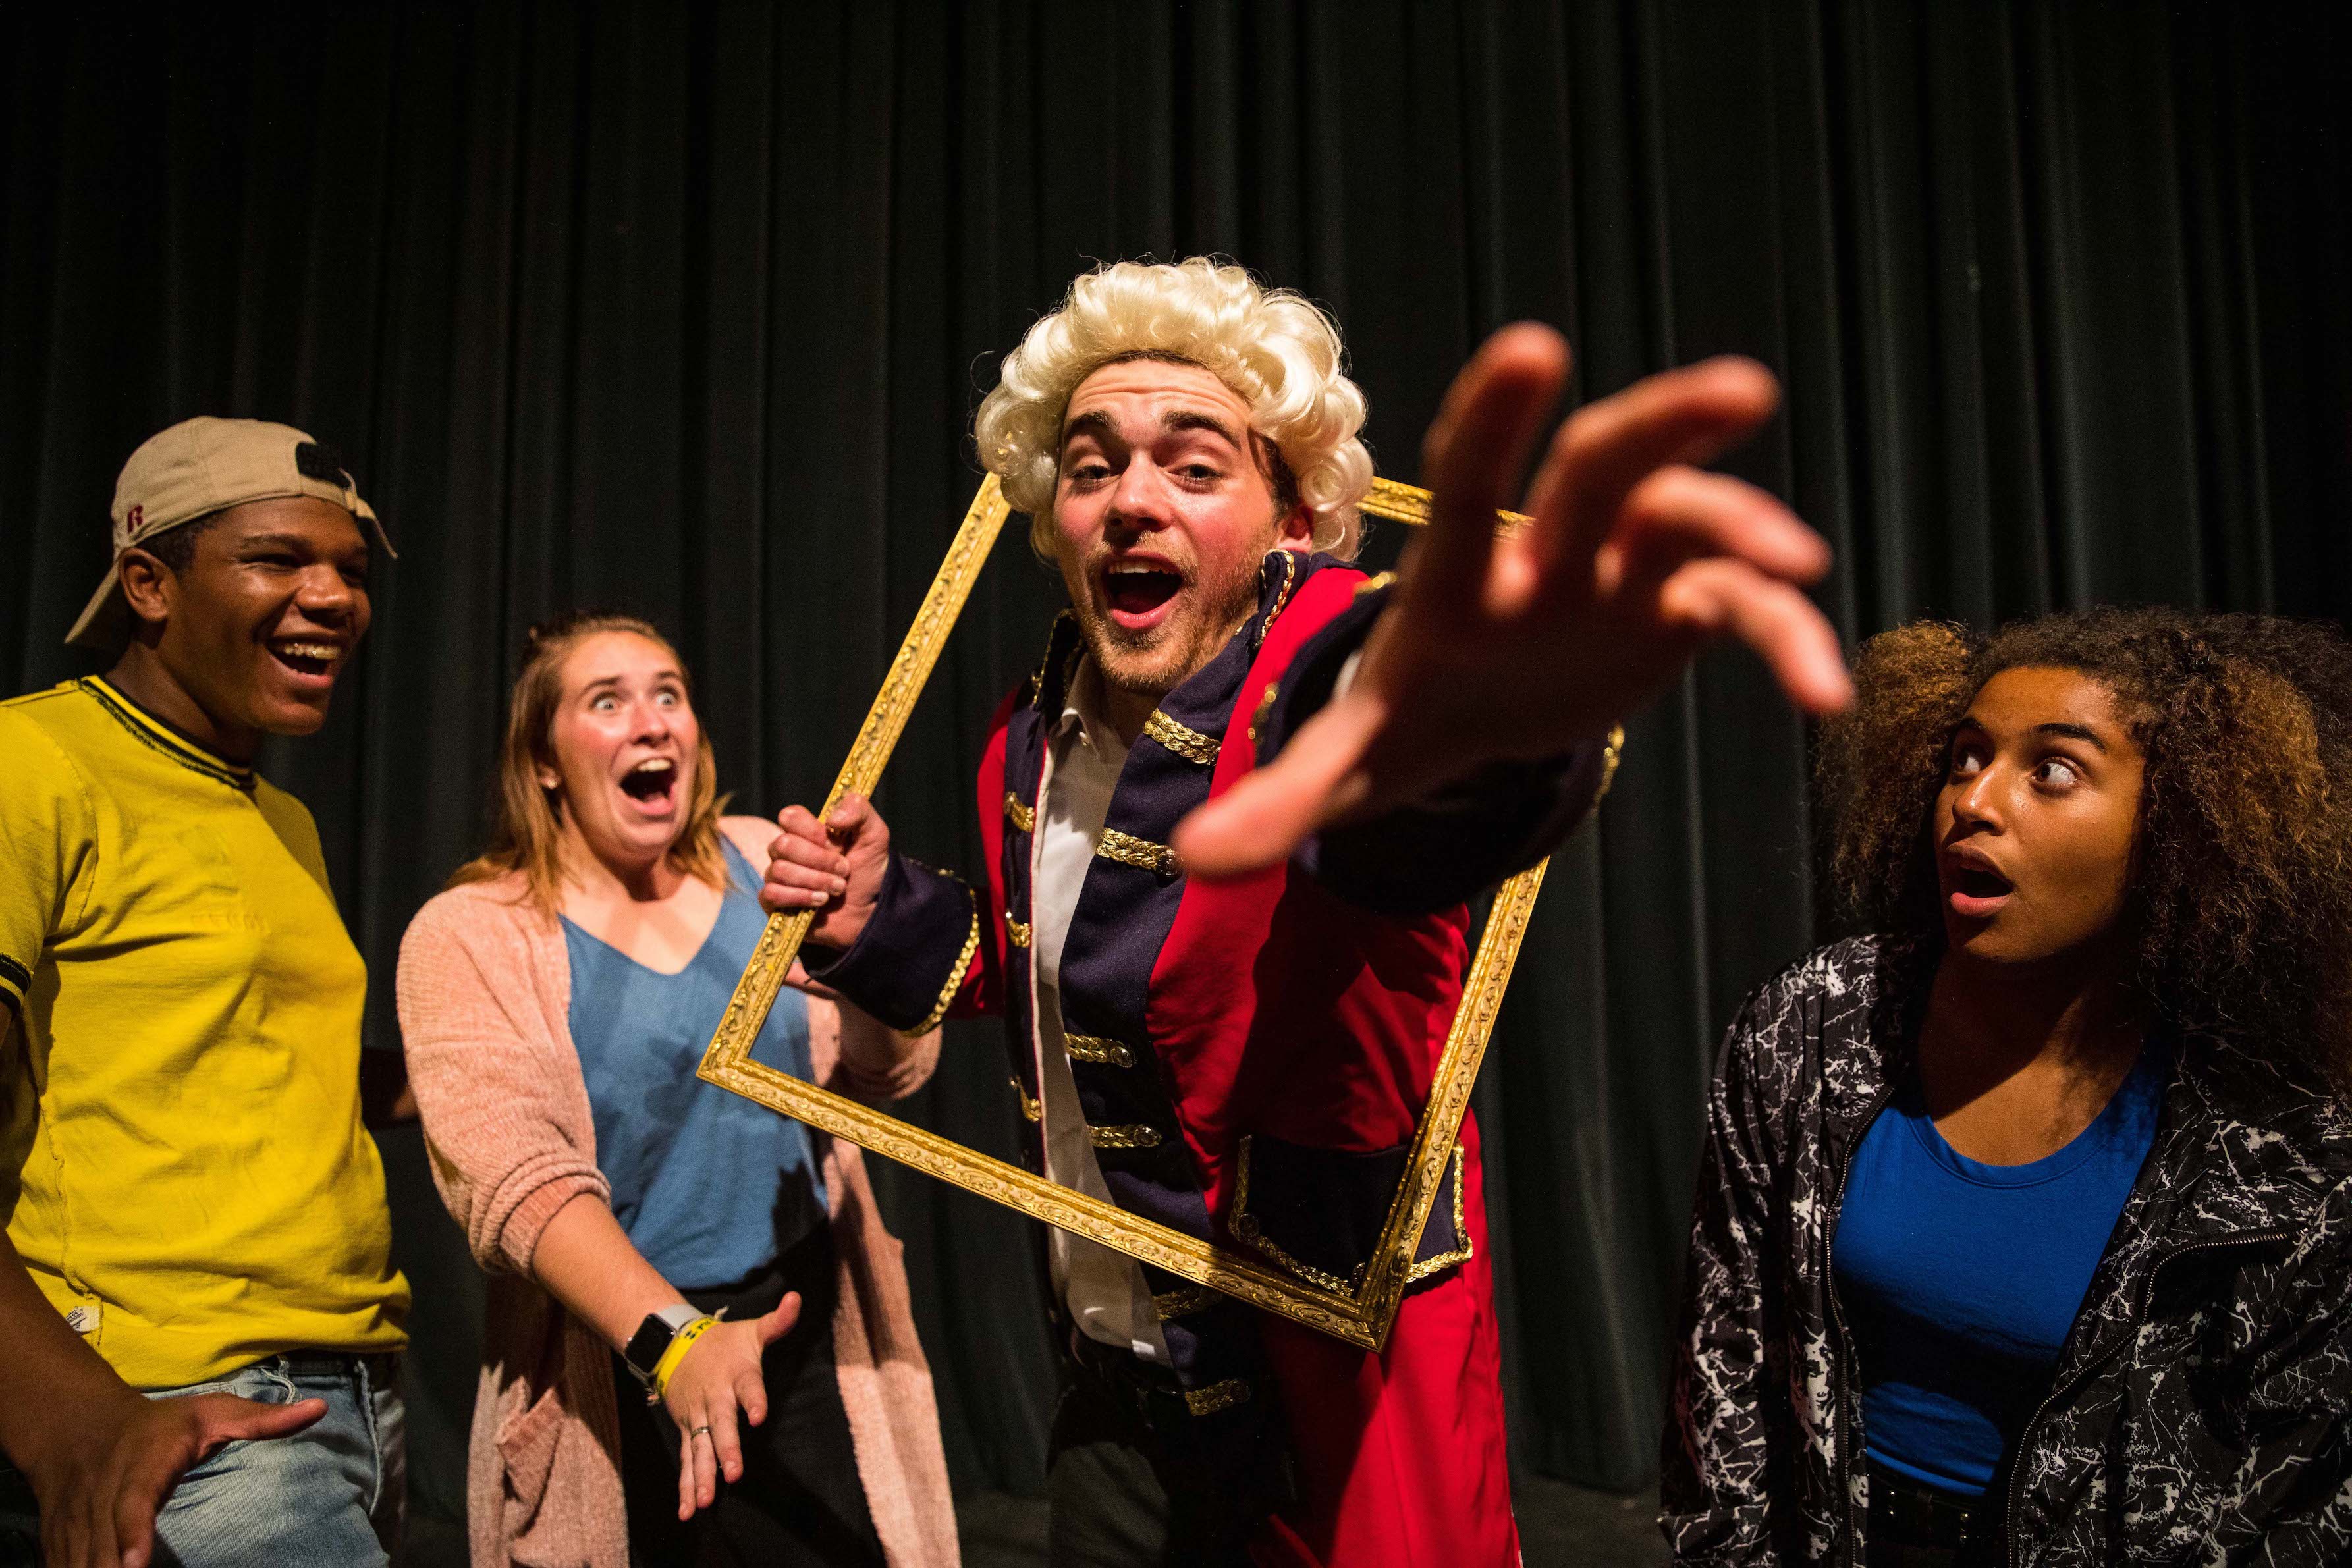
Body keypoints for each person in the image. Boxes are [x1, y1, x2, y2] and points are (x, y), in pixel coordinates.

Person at [760, 257, 1851, 1566]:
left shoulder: (1323, 675)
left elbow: (1386, 775)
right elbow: (1057, 961)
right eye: (1093, 465)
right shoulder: (1033, 727)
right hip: (1116, 1382)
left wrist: (1467, 729)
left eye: (1194, 466)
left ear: (1289, 519)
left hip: (1329, 1391)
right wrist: (887, 911)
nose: (1129, 502)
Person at [1660, 609, 2352, 1566]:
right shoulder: (1814, 1026)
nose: (1974, 802)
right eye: (1964, 758)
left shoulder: (2272, 1127)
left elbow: (2298, 1491)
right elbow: (1722, 1365)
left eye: (2051, 771)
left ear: (2180, 821)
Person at [396, 613, 957, 1568]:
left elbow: (889, 1068)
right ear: (542, 759)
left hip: (808, 1328)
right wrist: (673, 1341)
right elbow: (513, 1179)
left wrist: (865, 962)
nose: (652, 722)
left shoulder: (761, 866)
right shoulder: (470, 934)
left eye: (669, 693)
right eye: (606, 701)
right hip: (621, 1366)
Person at [0, 418, 412, 1568]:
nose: (333, 595)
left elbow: (238, 1065)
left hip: (356, 1399)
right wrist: (73, 1427)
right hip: (178, 1403)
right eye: (279, 558)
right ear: (148, 582)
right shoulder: (32, 763)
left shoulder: (280, 817)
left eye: (351, 571)